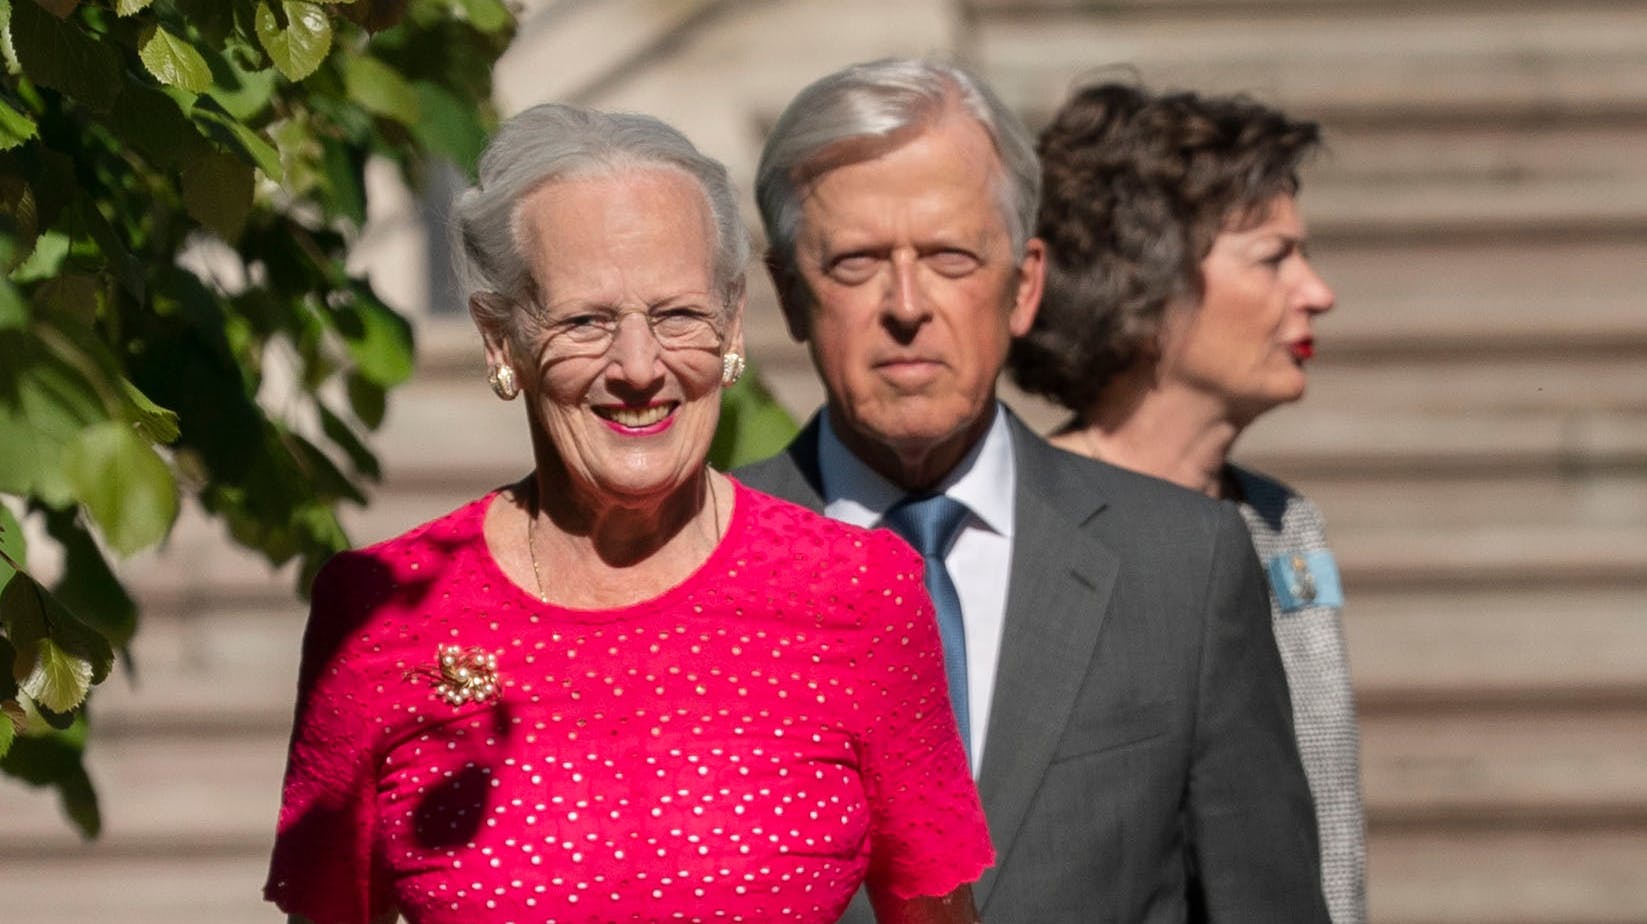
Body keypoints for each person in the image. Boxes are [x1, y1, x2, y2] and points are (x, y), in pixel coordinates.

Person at [264, 103, 992, 924]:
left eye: (678, 315)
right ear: (502, 340)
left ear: (731, 324)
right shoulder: (383, 612)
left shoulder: (861, 593)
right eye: (587, 321)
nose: (639, 367)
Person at [737, 58, 1330, 922]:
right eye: (858, 263)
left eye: (949, 256)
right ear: (791, 295)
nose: (908, 304)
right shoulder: (695, 564)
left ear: (1024, 286)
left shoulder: (1181, 565)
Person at [1007, 80, 1366, 923]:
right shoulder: (1019, 531)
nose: (1318, 292)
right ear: (1145, 281)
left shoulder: (1285, 527)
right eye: (1273, 257)